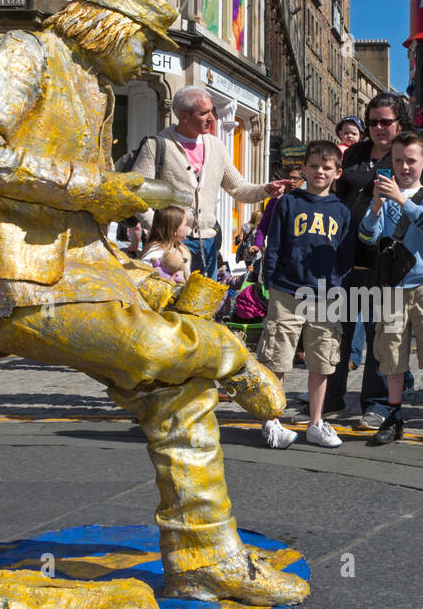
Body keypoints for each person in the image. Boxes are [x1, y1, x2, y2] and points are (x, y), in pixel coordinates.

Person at [0, 0, 307, 607]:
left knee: (180, 392)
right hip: (10, 281)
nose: (146, 59)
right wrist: (101, 190)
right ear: (108, 25)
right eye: (143, 43)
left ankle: (205, 560)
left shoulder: (94, 91)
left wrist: (142, 273)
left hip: (72, 274)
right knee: (159, 348)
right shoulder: (24, 52)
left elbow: (82, 233)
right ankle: (232, 357)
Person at [328, 92, 423, 428]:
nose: (379, 128)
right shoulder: (355, 153)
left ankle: (379, 403)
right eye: (373, 122)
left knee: (379, 335)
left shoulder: (418, 158)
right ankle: (331, 398)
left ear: (400, 123)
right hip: (348, 255)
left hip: (391, 264)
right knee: (339, 328)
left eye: (386, 122)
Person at [358, 132, 423, 449]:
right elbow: (367, 237)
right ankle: (394, 417)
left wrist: (402, 200)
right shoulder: (385, 195)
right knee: (391, 351)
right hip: (392, 286)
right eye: (398, 161)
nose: (404, 167)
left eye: (411, 160)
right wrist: (377, 207)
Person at [131, 85, 292, 279]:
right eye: (204, 113)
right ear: (184, 116)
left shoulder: (216, 146)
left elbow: (238, 188)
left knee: (205, 304)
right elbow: (137, 194)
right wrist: (162, 230)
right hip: (170, 244)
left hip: (208, 242)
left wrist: (266, 189)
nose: (212, 118)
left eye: (212, 112)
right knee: (170, 301)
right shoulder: (156, 145)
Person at [256, 140, 355, 449]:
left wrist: (338, 285)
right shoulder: (288, 203)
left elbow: (345, 255)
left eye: (326, 167)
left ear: (337, 172)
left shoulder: (341, 210)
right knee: (277, 357)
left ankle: (316, 422)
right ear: (304, 169)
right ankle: (272, 419)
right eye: (313, 166)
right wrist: (270, 279)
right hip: (287, 288)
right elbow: (275, 244)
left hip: (325, 294)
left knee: (322, 360)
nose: (319, 172)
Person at [141, 206, 193, 283]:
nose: (188, 228)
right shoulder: (155, 253)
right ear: (173, 229)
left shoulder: (180, 247)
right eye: (185, 225)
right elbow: (143, 277)